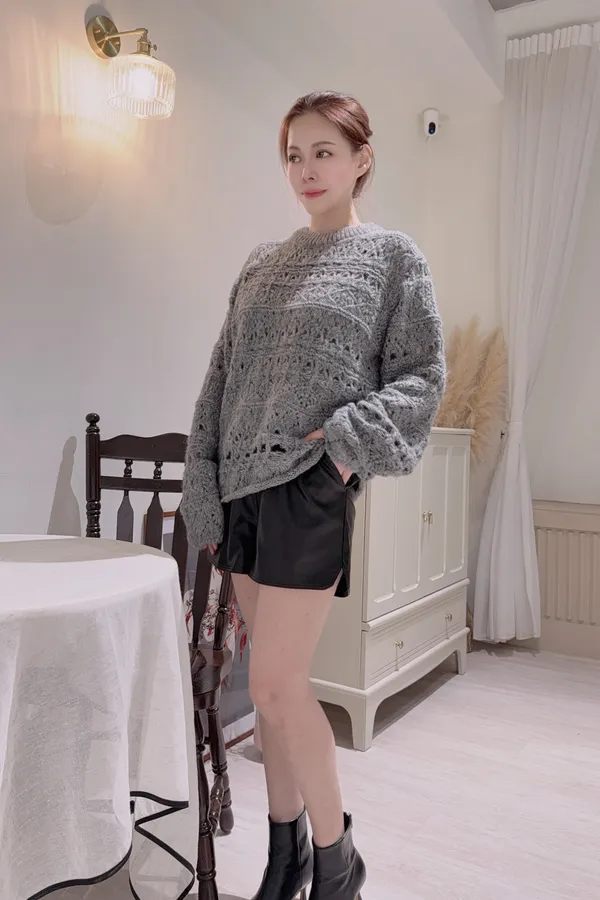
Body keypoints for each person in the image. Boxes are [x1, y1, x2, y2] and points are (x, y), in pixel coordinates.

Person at [182, 91, 446, 900]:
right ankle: (285, 854)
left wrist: (340, 447)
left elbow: (421, 378)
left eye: (323, 151)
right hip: (242, 493)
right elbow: (221, 379)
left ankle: (337, 862)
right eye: (294, 155)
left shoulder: (392, 258)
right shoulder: (261, 263)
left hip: (307, 489)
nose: (306, 169)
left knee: (274, 687)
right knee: (272, 698)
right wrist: (204, 486)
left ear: (362, 158)